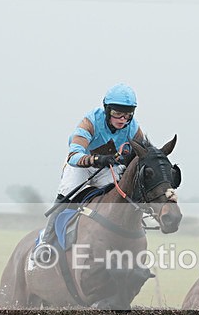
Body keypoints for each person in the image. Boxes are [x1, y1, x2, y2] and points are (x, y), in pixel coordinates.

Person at [39, 83, 147, 252]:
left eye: (127, 115)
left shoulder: (133, 128)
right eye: (117, 114)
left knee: (119, 196)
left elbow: (144, 154)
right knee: (68, 191)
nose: (122, 120)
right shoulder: (90, 122)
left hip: (107, 169)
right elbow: (73, 156)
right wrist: (97, 159)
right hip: (81, 167)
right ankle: (46, 241)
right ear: (107, 110)